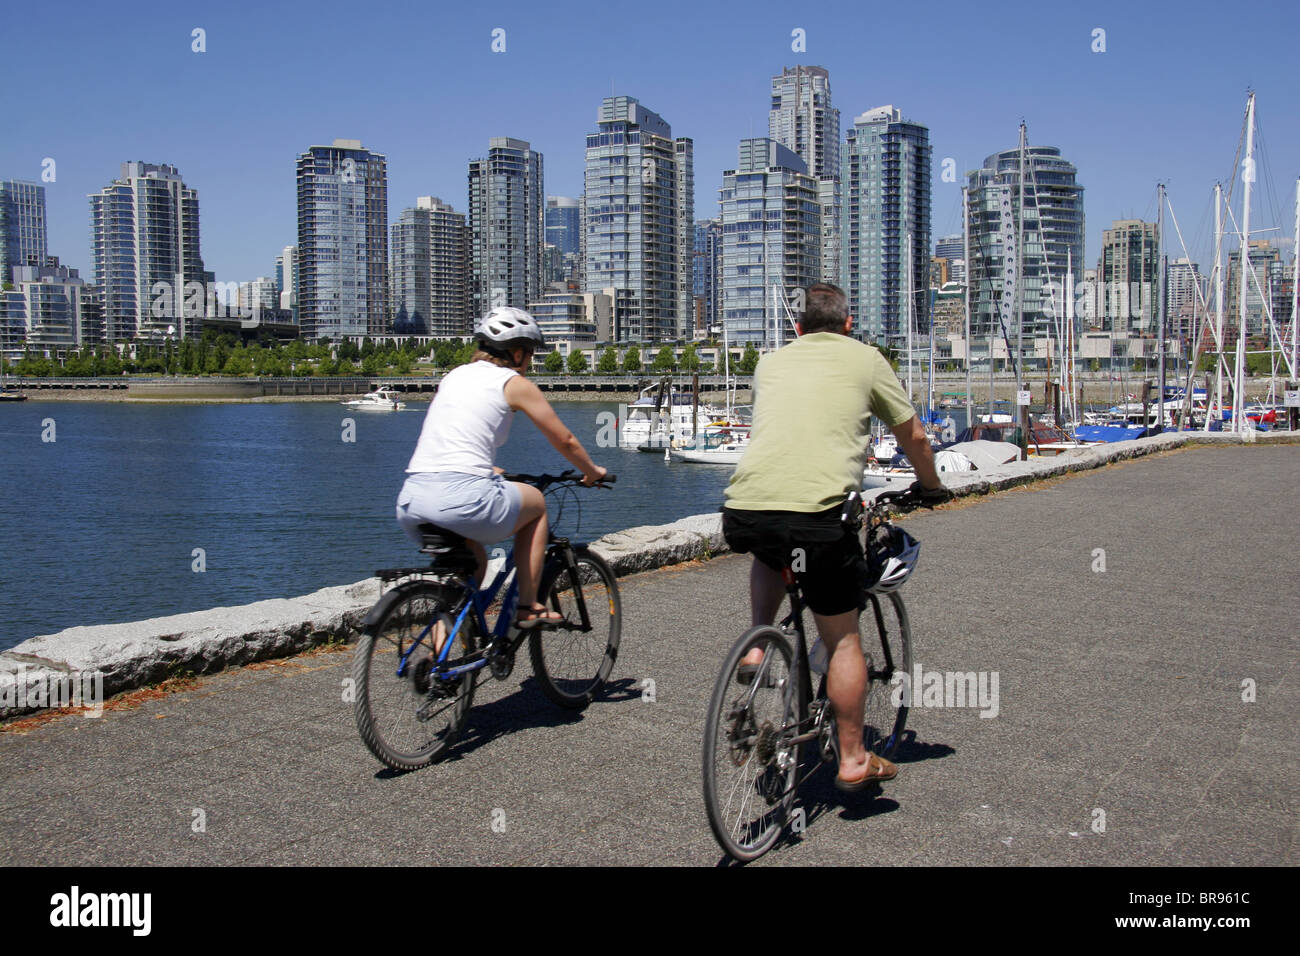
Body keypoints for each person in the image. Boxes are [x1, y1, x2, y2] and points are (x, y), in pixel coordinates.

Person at [721, 282, 949, 792]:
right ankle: (852, 759)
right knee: (843, 637)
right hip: (820, 517)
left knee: (770, 546)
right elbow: (912, 434)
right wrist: (931, 486)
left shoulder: (770, 363)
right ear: (848, 324)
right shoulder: (866, 359)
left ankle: (758, 642)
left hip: (745, 508)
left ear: (797, 328)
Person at [396, 307, 607, 631]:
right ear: (518, 352)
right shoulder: (513, 383)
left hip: (412, 500)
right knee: (536, 505)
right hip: (462, 497)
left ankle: (438, 666)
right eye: (531, 354)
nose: (530, 362)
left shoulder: (453, 376)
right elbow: (564, 440)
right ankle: (529, 606)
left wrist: (486, 467)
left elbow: (450, 435)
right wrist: (591, 471)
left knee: (473, 565)